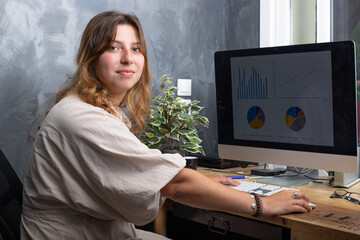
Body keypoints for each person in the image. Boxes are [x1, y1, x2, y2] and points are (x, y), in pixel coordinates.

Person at [21, 11, 313, 240]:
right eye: (113, 47)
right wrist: (262, 204)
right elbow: (173, 183)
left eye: (136, 48)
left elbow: (145, 176)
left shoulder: (93, 108)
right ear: (92, 59)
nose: (128, 58)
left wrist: (208, 182)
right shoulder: (82, 118)